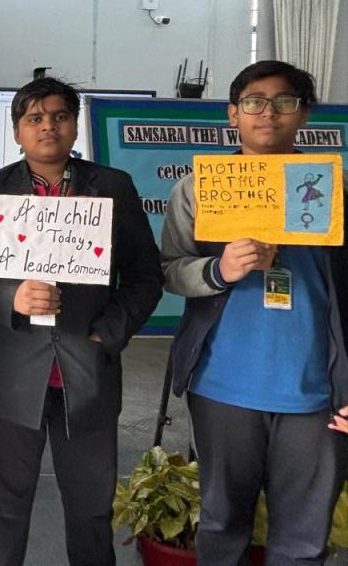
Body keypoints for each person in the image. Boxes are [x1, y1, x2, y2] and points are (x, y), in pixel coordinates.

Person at [0, 77, 162, 566]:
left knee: (90, 511)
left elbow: (146, 275)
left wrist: (110, 330)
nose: (48, 126)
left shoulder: (112, 187)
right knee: (2, 509)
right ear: (17, 131)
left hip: (88, 373)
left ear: (75, 125)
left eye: (60, 116)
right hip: (11, 375)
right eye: (35, 118)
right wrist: (10, 297)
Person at [160, 60, 348, 565]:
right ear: (233, 114)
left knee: (304, 539)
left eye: (284, 101)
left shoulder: (338, 191)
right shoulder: (198, 188)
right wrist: (218, 269)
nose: (268, 112)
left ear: (303, 114)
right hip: (222, 387)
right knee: (221, 526)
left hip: (318, 395)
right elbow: (170, 269)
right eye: (254, 102)